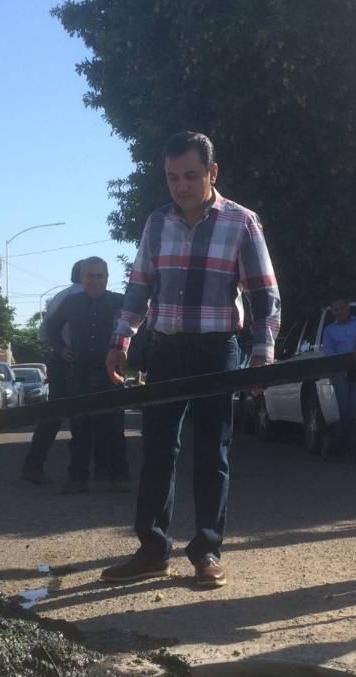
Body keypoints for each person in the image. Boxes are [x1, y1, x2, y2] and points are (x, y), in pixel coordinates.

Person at [101, 131, 281, 589]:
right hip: (165, 348)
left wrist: (263, 353)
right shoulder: (156, 223)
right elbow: (140, 285)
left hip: (217, 349)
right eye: (172, 177)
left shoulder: (242, 222)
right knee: (158, 448)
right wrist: (121, 338)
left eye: (191, 176)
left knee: (211, 452)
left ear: (212, 173)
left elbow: (264, 294)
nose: (180, 186)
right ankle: (152, 548)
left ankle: (206, 551)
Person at [39, 257, 130, 494]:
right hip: (79, 373)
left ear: (107, 278)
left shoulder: (120, 302)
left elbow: (138, 328)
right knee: (79, 430)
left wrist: (129, 357)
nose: (95, 281)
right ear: (82, 278)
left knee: (114, 428)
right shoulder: (71, 302)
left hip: (110, 375)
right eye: (90, 276)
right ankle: (77, 479)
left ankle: (120, 477)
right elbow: (50, 328)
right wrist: (60, 348)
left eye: (100, 276)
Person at [20, 259, 88, 485]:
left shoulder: (59, 296)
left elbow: (45, 332)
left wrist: (58, 349)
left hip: (58, 359)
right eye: (93, 274)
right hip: (77, 360)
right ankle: (82, 472)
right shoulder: (82, 297)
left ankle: (34, 465)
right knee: (86, 414)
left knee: (54, 414)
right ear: (85, 275)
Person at [320, 297, 356, 461]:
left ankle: (333, 438)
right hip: (341, 373)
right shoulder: (329, 331)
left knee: (354, 406)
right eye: (336, 309)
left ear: (348, 307)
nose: (339, 312)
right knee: (345, 408)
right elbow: (328, 352)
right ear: (332, 312)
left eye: (342, 308)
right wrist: (342, 367)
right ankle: (350, 448)